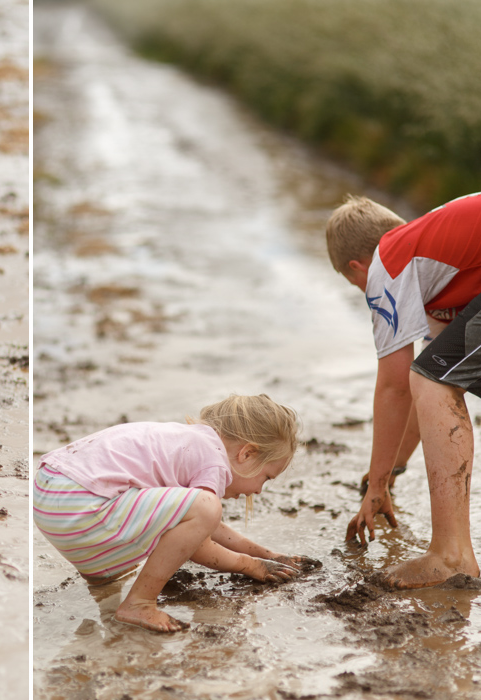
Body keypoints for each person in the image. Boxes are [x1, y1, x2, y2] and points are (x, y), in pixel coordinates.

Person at [33, 394, 309, 633]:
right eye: (266, 477)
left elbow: (205, 526)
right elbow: (199, 541)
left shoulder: (189, 441)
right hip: (78, 504)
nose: (260, 490)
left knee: (202, 510)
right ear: (247, 454)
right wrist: (251, 566)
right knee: (207, 506)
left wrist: (266, 555)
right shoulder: (213, 461)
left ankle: (101, 574)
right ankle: (139, 603)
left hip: (51, 495)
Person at [326, 193, 481, 588]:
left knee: (431, 378)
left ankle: (451, 555)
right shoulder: (439, 266)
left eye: (355, 283)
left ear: (356, 267)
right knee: (435, 376)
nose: (365, 291)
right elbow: (433, 391)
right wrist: (390, 471)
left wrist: (375, 485)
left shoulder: (388, 262)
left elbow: (397, 387)